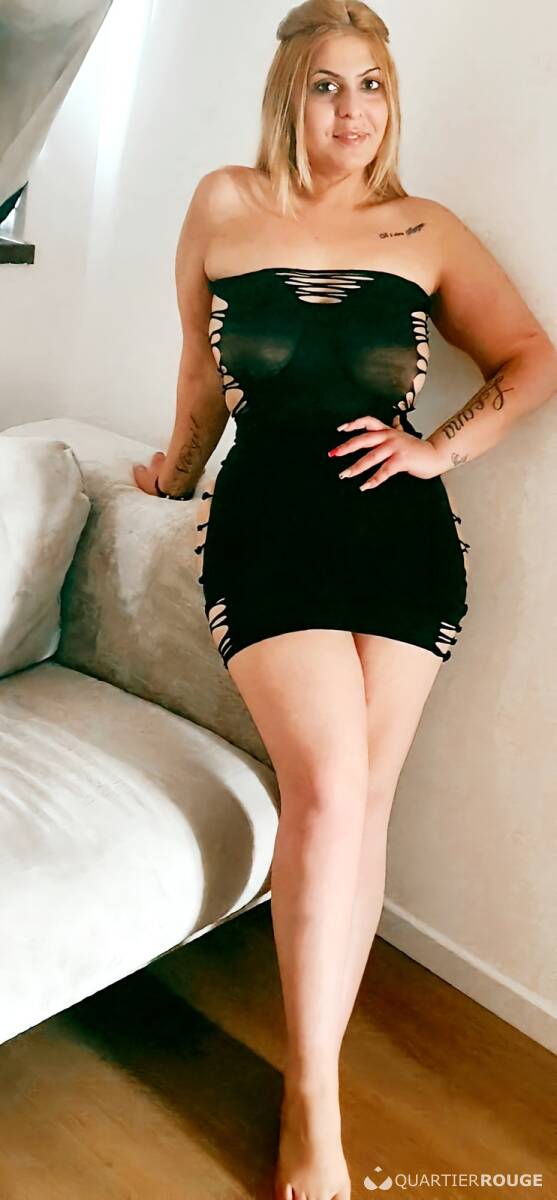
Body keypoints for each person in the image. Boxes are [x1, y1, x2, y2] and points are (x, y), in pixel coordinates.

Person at [133, 3, 557, 1197]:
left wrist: (439, 448)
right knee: (324, 784)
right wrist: (174, 474)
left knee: (362, 800)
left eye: (369, 84)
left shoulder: (425, 228)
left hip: (400, 539)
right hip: (266, 525)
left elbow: (530, 357)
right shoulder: (223, 203)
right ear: (288, 95)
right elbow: (200, 373)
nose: (351, 109)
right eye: (326, 85)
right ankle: (311, 1101)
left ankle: (314, 1067)